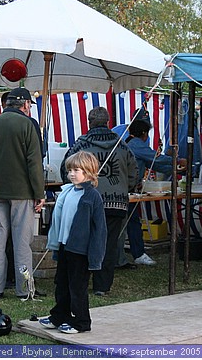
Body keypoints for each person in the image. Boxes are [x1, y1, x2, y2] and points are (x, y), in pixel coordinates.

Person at [0, 87, 45, 300]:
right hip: (22, 192)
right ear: (24, 104)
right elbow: (34, 162)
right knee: (22, 242)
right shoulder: (27, 125)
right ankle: (24, 289)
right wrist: (39, 192)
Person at [61, 107, 138, 296]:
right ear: (108, 122)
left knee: (83, 243)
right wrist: (122, 188)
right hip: (116, 204)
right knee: (109, 244)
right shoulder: (121, 145)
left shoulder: (81, 144)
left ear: (89, 122)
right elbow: (133, 173)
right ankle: (102, 287)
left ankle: (80, 282)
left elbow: (66, 169)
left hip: (86, 200)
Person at [39, 151, 106, 334]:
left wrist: (95, 256)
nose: (72, 174)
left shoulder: (93, 197)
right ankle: (60, 315)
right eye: (70, 170)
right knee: (61, 283)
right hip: (65, 246)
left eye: (77, 170)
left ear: (89, 172)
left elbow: (99, 230)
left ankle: (82, 321)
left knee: (77, 287)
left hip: (80, 250)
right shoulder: (67, 191)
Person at [122, 117, 188, 266]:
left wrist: (176, 169)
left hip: (128, 188)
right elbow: (155, 158)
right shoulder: (136, 144)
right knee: (131, 222)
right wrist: (178, 161)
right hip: (127, 189)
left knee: (131, 221)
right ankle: (137, 254)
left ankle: (134, 254)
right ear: (144, 133)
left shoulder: (129, 143)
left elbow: (154, 164)